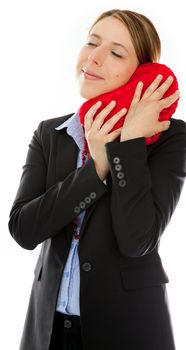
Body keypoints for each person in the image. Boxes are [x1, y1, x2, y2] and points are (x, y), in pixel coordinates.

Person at [8, 8, 186, 350]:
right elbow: (24, 230)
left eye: (116, 52)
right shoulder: (51, 133)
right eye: (92, 42)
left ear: (143, 74)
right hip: (48, 332)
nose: (94, 57)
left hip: (128, 328)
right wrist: (97, 168)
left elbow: (138, 240)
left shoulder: (170, 137)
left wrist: (130, 142)